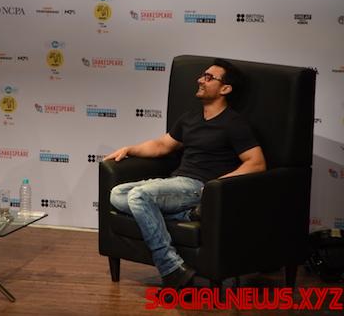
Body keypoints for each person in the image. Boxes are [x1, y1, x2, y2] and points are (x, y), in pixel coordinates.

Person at [104, 59, 266, 289]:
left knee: (139, 196)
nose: (200, 80)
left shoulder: (234, 123)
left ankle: (170, 267)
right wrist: (130, 149)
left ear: (225, 88)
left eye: (209, 77)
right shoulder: (190, 118)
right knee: (117, 194)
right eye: (202, 75)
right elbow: (162, 145)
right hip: (177, 184)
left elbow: (256, 163)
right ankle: (188, 214)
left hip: (199, 186)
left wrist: (216, 186)